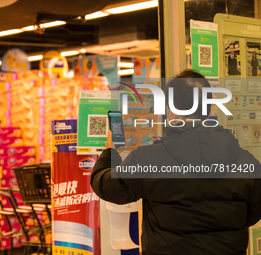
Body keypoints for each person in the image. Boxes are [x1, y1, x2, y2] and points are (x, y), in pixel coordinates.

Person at [91, 70, 261, 255]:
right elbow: (252, 214)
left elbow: (108, 186)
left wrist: (110, 153)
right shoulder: (246, 161)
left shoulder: (150, 158)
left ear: (171, 108)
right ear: (209, 107)